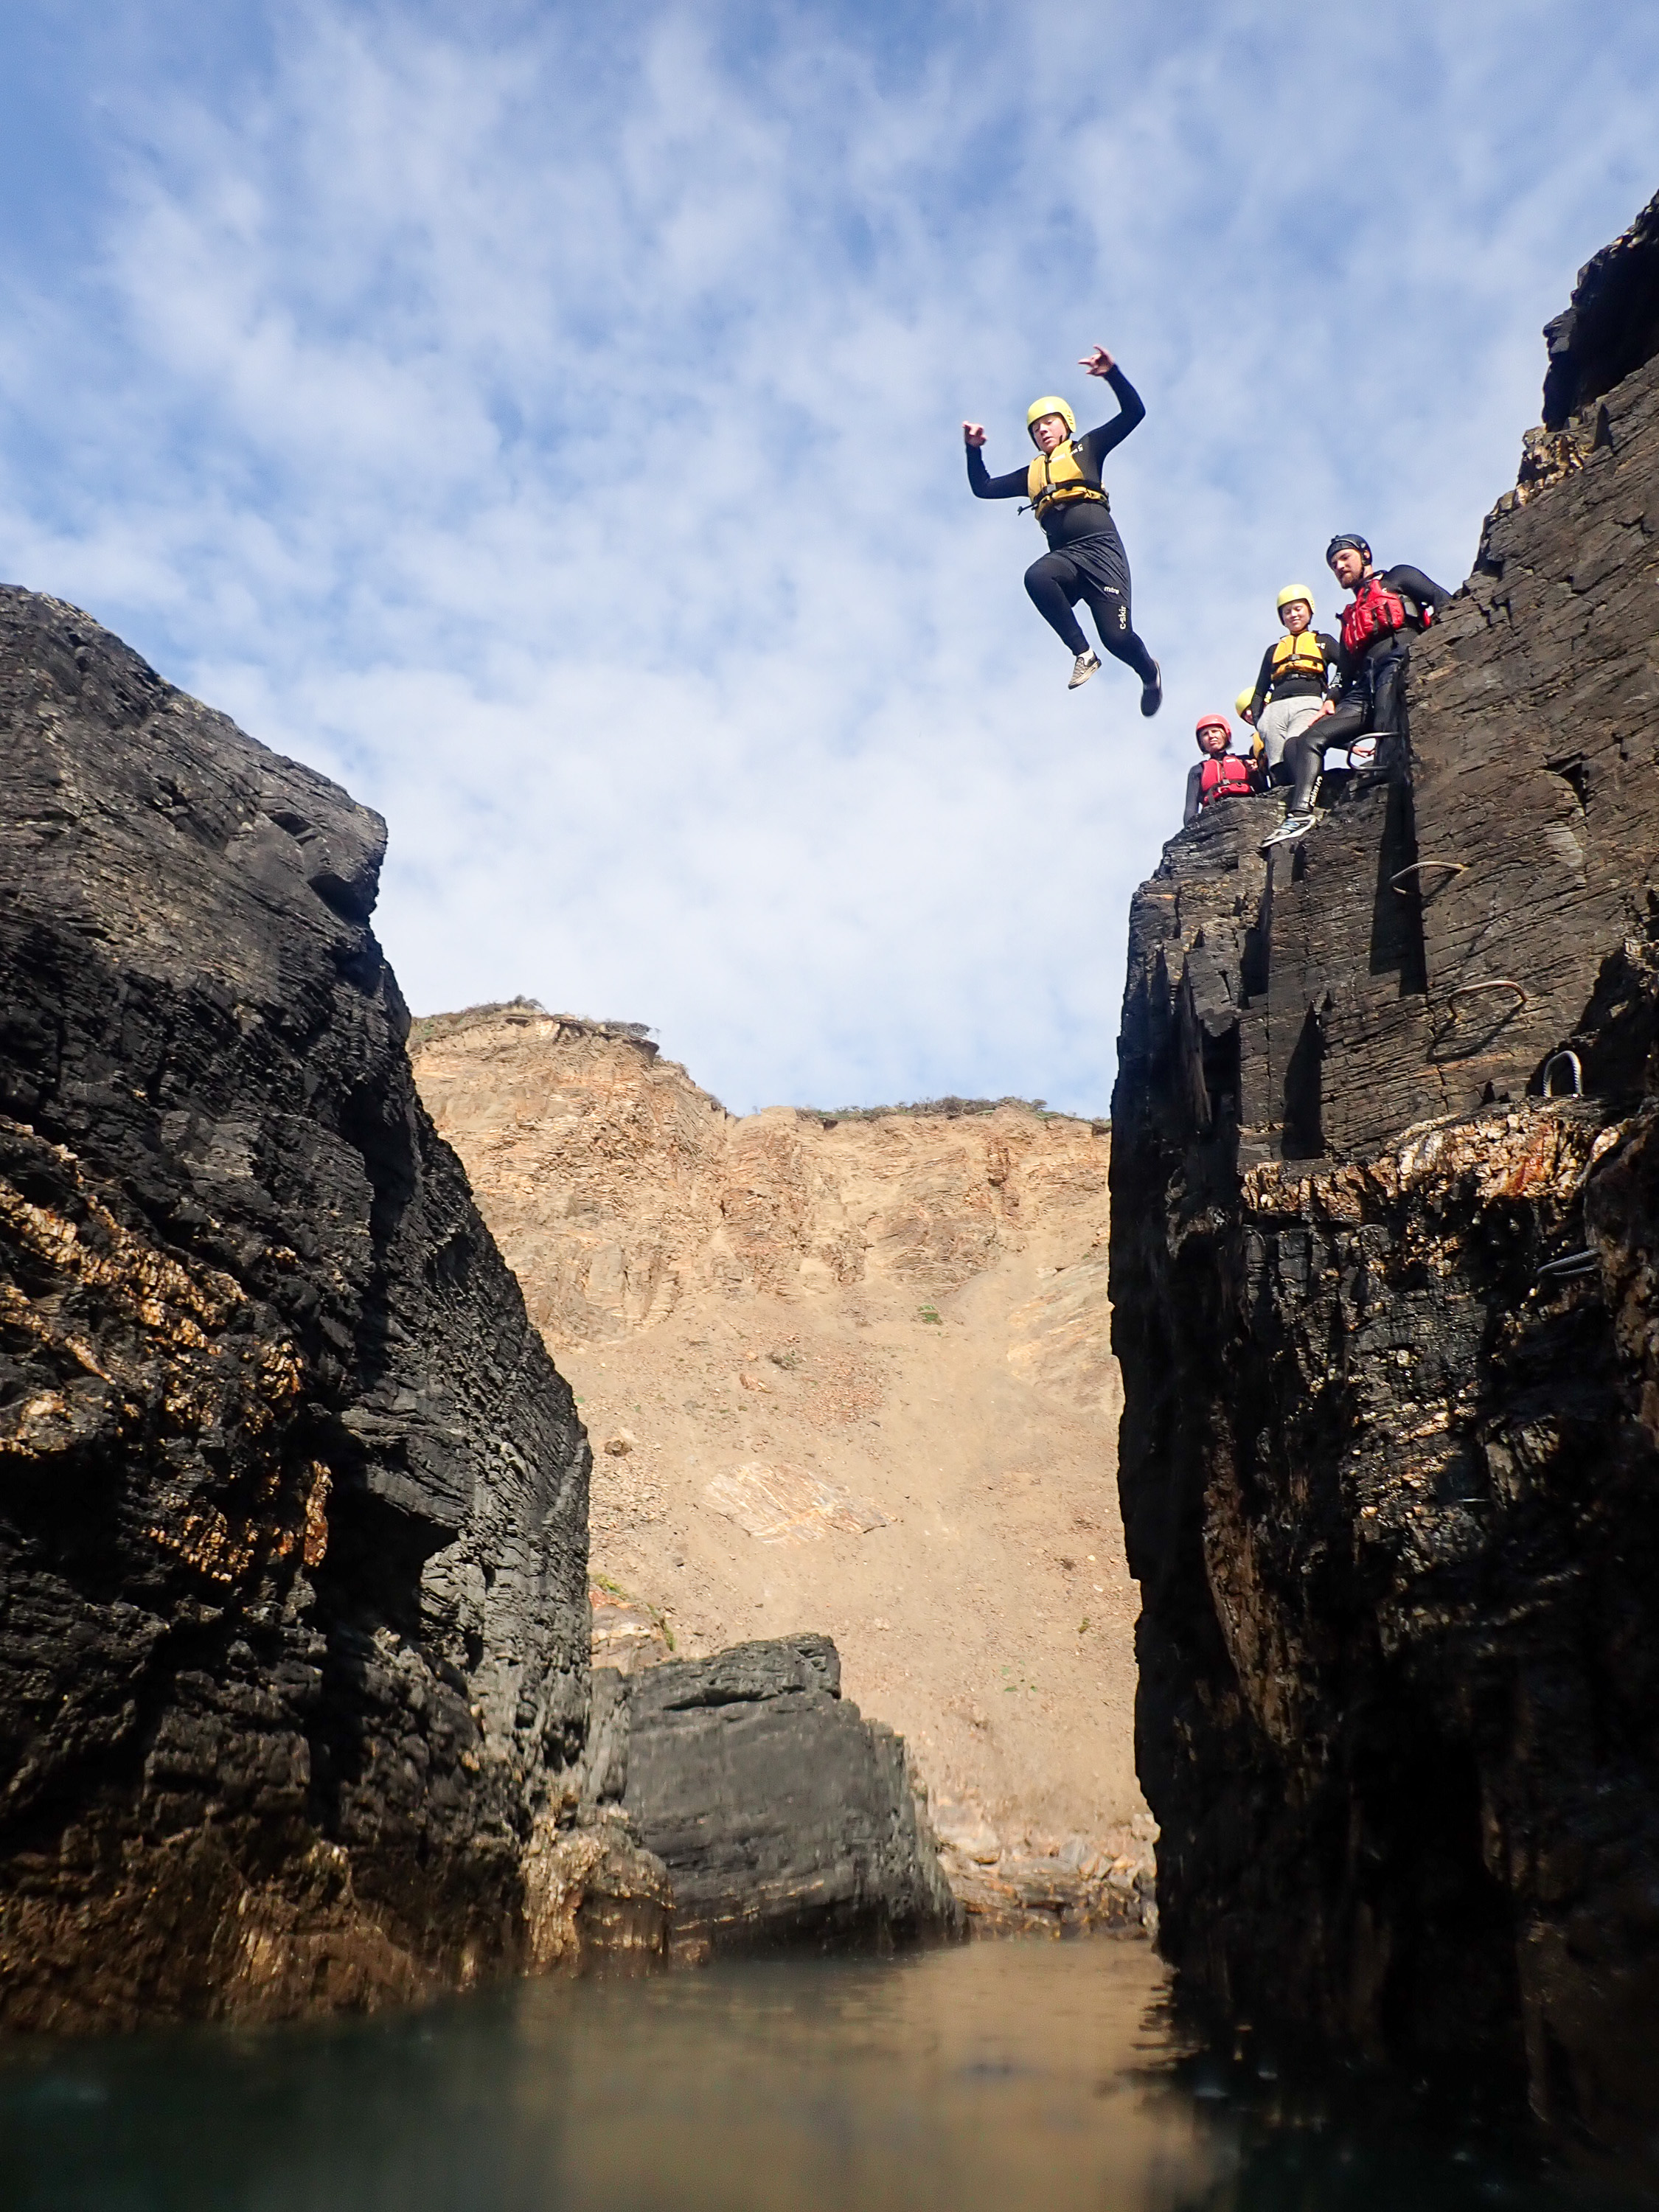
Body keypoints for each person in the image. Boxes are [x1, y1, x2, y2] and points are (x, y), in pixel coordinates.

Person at [964, 346, 1163, 714]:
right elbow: (983, 487)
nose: (1042, 430)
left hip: (1101, 553)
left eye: (1049, 422)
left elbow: (1135, 413)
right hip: (1067, 558)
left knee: (1118, 639)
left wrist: (1112, 375)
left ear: (1066, 423)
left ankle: (1149, 672)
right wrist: (972, 449)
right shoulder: (1032, 475)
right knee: (1038, 576)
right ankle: (1083, 654)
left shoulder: (1088, 448)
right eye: (1036, 428)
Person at [1262, 535, 1452, 850]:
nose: (1339, 566)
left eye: (1345, 558)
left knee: (1386, 716)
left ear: (1365, 555)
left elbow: (1439, 597)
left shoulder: (1398, 577)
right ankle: (1299, 815)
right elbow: (1345, 671)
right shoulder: (1350, 617)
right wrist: (1332, 699)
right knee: (1307, 739)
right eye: (1334, 564)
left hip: (1400, 658)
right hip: (1365, 684)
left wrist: (1437, 649)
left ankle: (1387, 789)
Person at [1242, 585, 1339, 777]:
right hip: (1275, 709)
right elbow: (1260, 691)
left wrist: (1332, 697)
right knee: (1277, 761)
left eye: (1298, 609)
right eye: (1287, 612)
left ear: (1309, 610)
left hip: (1309, 702)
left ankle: (1310, 795)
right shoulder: (1273, 650)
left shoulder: (1324, 641)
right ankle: (1283, 798)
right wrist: (1260, 723)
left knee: (1297, 745)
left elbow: (1346, 667)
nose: (1293, 615)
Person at [1183, 713, 1256, 827]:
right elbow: (1190, 808)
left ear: (1225, 734)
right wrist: (1189, 832)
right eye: (1205, 734)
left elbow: (1263, 789)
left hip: (1248, 807)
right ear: (1201, 742)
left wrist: (1255, 772)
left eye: (1215, 731)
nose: (1211, 736)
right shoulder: (1198, 770)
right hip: (1214, 815)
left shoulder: (1245, 761)